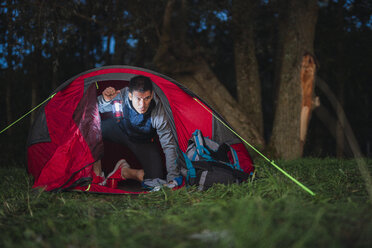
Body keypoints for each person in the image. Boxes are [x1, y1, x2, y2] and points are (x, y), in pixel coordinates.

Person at [92, 75, 181, 189]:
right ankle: (97, 175)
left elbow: (169, 146)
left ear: (152, 95)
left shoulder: (158, 112)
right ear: (130, 95)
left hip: (142, 141)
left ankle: (125, 172)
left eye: (147, 98)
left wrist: (173, 178)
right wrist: (104, 100)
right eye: (138, 99)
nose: (142, 105)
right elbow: (95, 108)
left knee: (154, 179)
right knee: (92, 129)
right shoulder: (122, 95)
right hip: (119, 129)